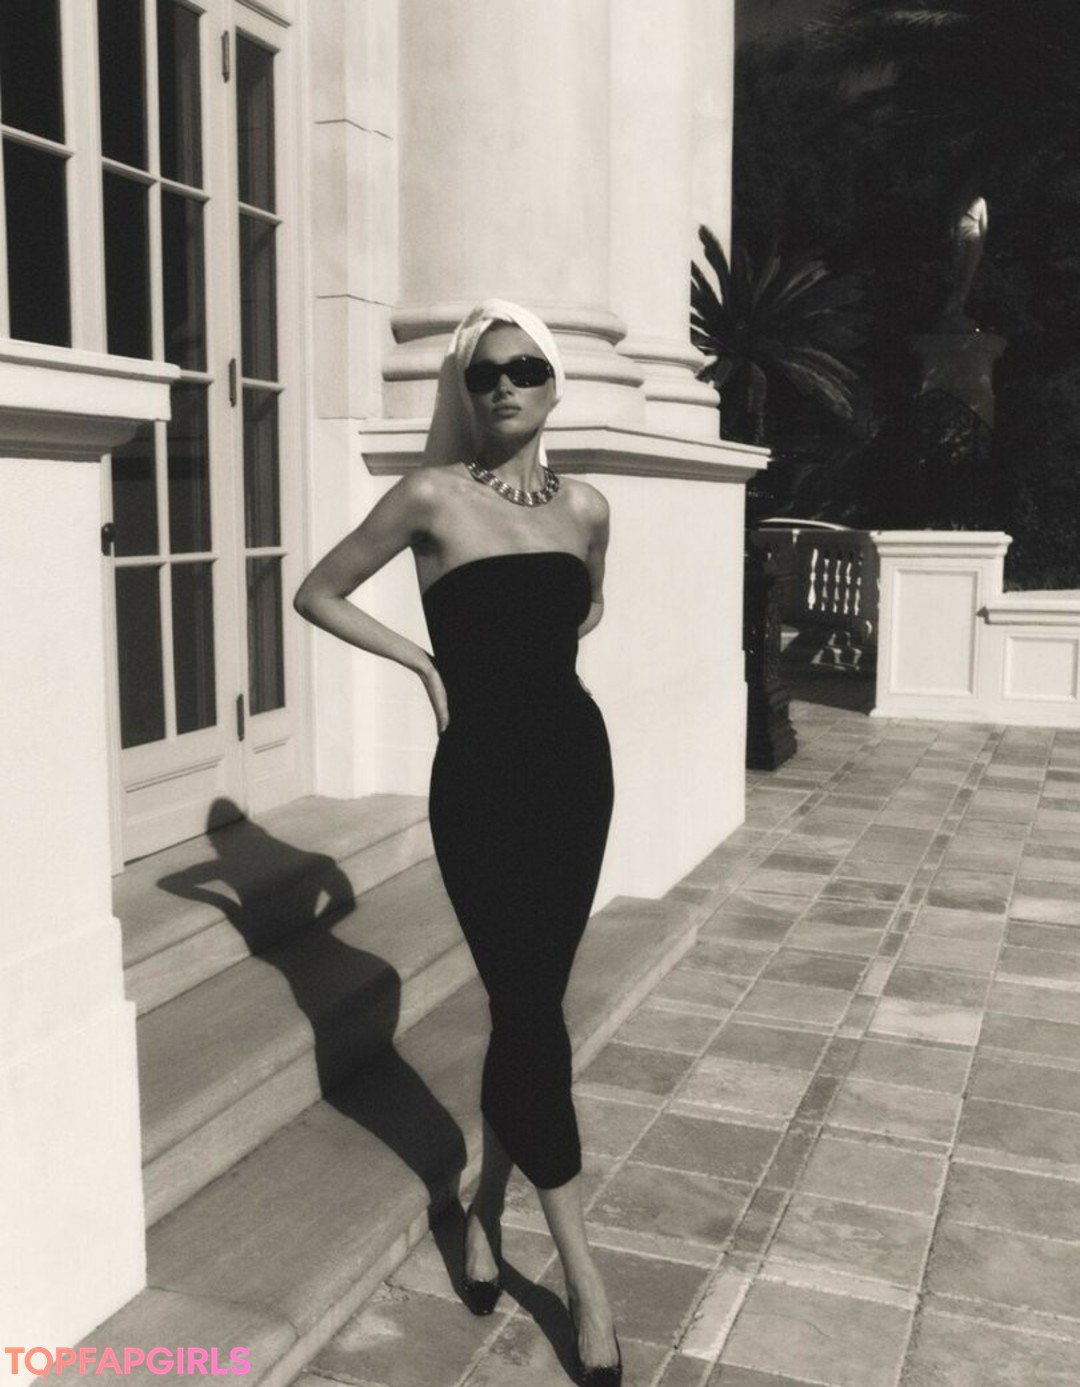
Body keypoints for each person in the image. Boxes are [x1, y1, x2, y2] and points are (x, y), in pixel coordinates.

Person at [294, 300, 621, 1385]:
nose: (504, 386)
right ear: (464, 392)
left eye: (523, 368)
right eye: (484, 374)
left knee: (530, 1006)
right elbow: (317, 590)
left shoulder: (588, 506)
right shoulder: (431, 496)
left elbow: (584, 610)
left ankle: (483, 1206)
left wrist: (530, 666)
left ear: (554, 383)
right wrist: (427, 663)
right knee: (529, 1010)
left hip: (574, 773)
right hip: (480, 782)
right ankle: (585, 1281)